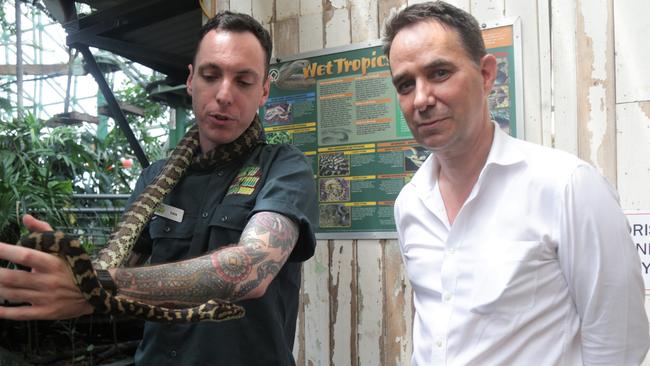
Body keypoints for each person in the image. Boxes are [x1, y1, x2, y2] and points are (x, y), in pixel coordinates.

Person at [0, 11, 318, 366]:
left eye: (243, 81)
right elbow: (122, 261)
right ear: (191, 81)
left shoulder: (284, 168)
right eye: (211, 76)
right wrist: (70, 271)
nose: (224, 95)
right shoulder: (155, 177)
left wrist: (97, 285)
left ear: (263, 92)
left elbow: (248, 270)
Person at [383, 2, 649, 365]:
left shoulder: (566, 186)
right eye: (405, 84)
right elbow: (436, 336)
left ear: (487, 74)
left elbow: (619, 342)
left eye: (440, 73)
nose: (422, 99)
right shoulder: (411, 203)